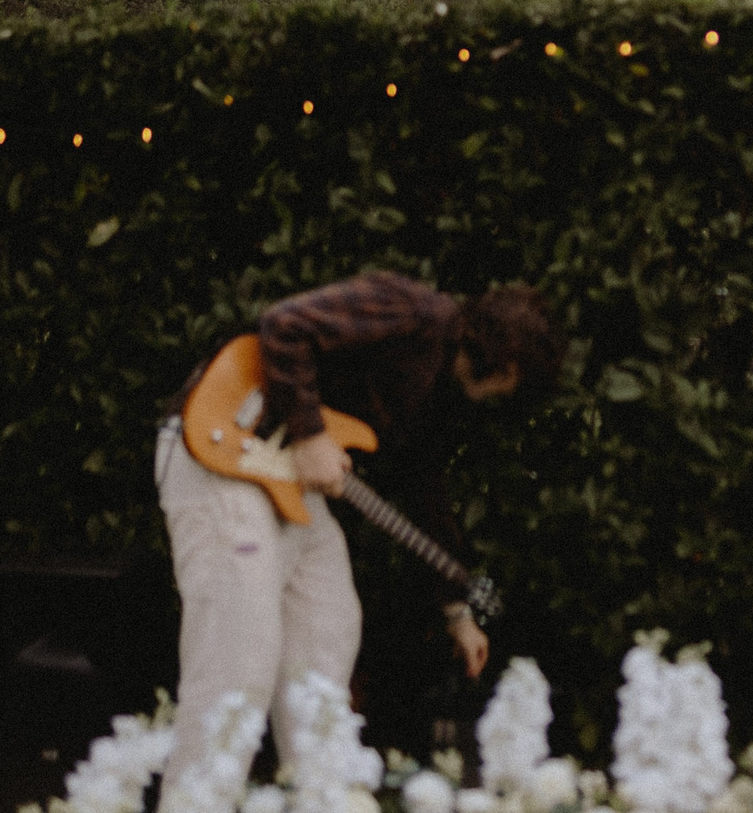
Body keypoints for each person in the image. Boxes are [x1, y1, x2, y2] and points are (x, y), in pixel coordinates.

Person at [154, 270, 562, 804]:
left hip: (288, 484)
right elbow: (283, 325)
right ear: (509, 365)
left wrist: (456, 609)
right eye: (517, 383)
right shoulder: (411, 310)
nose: (508, 398)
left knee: (330, 636)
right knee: (239, 658)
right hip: (224, 450)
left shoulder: (440, 396)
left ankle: (321, 797)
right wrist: (310, 435)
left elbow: (423, 491)